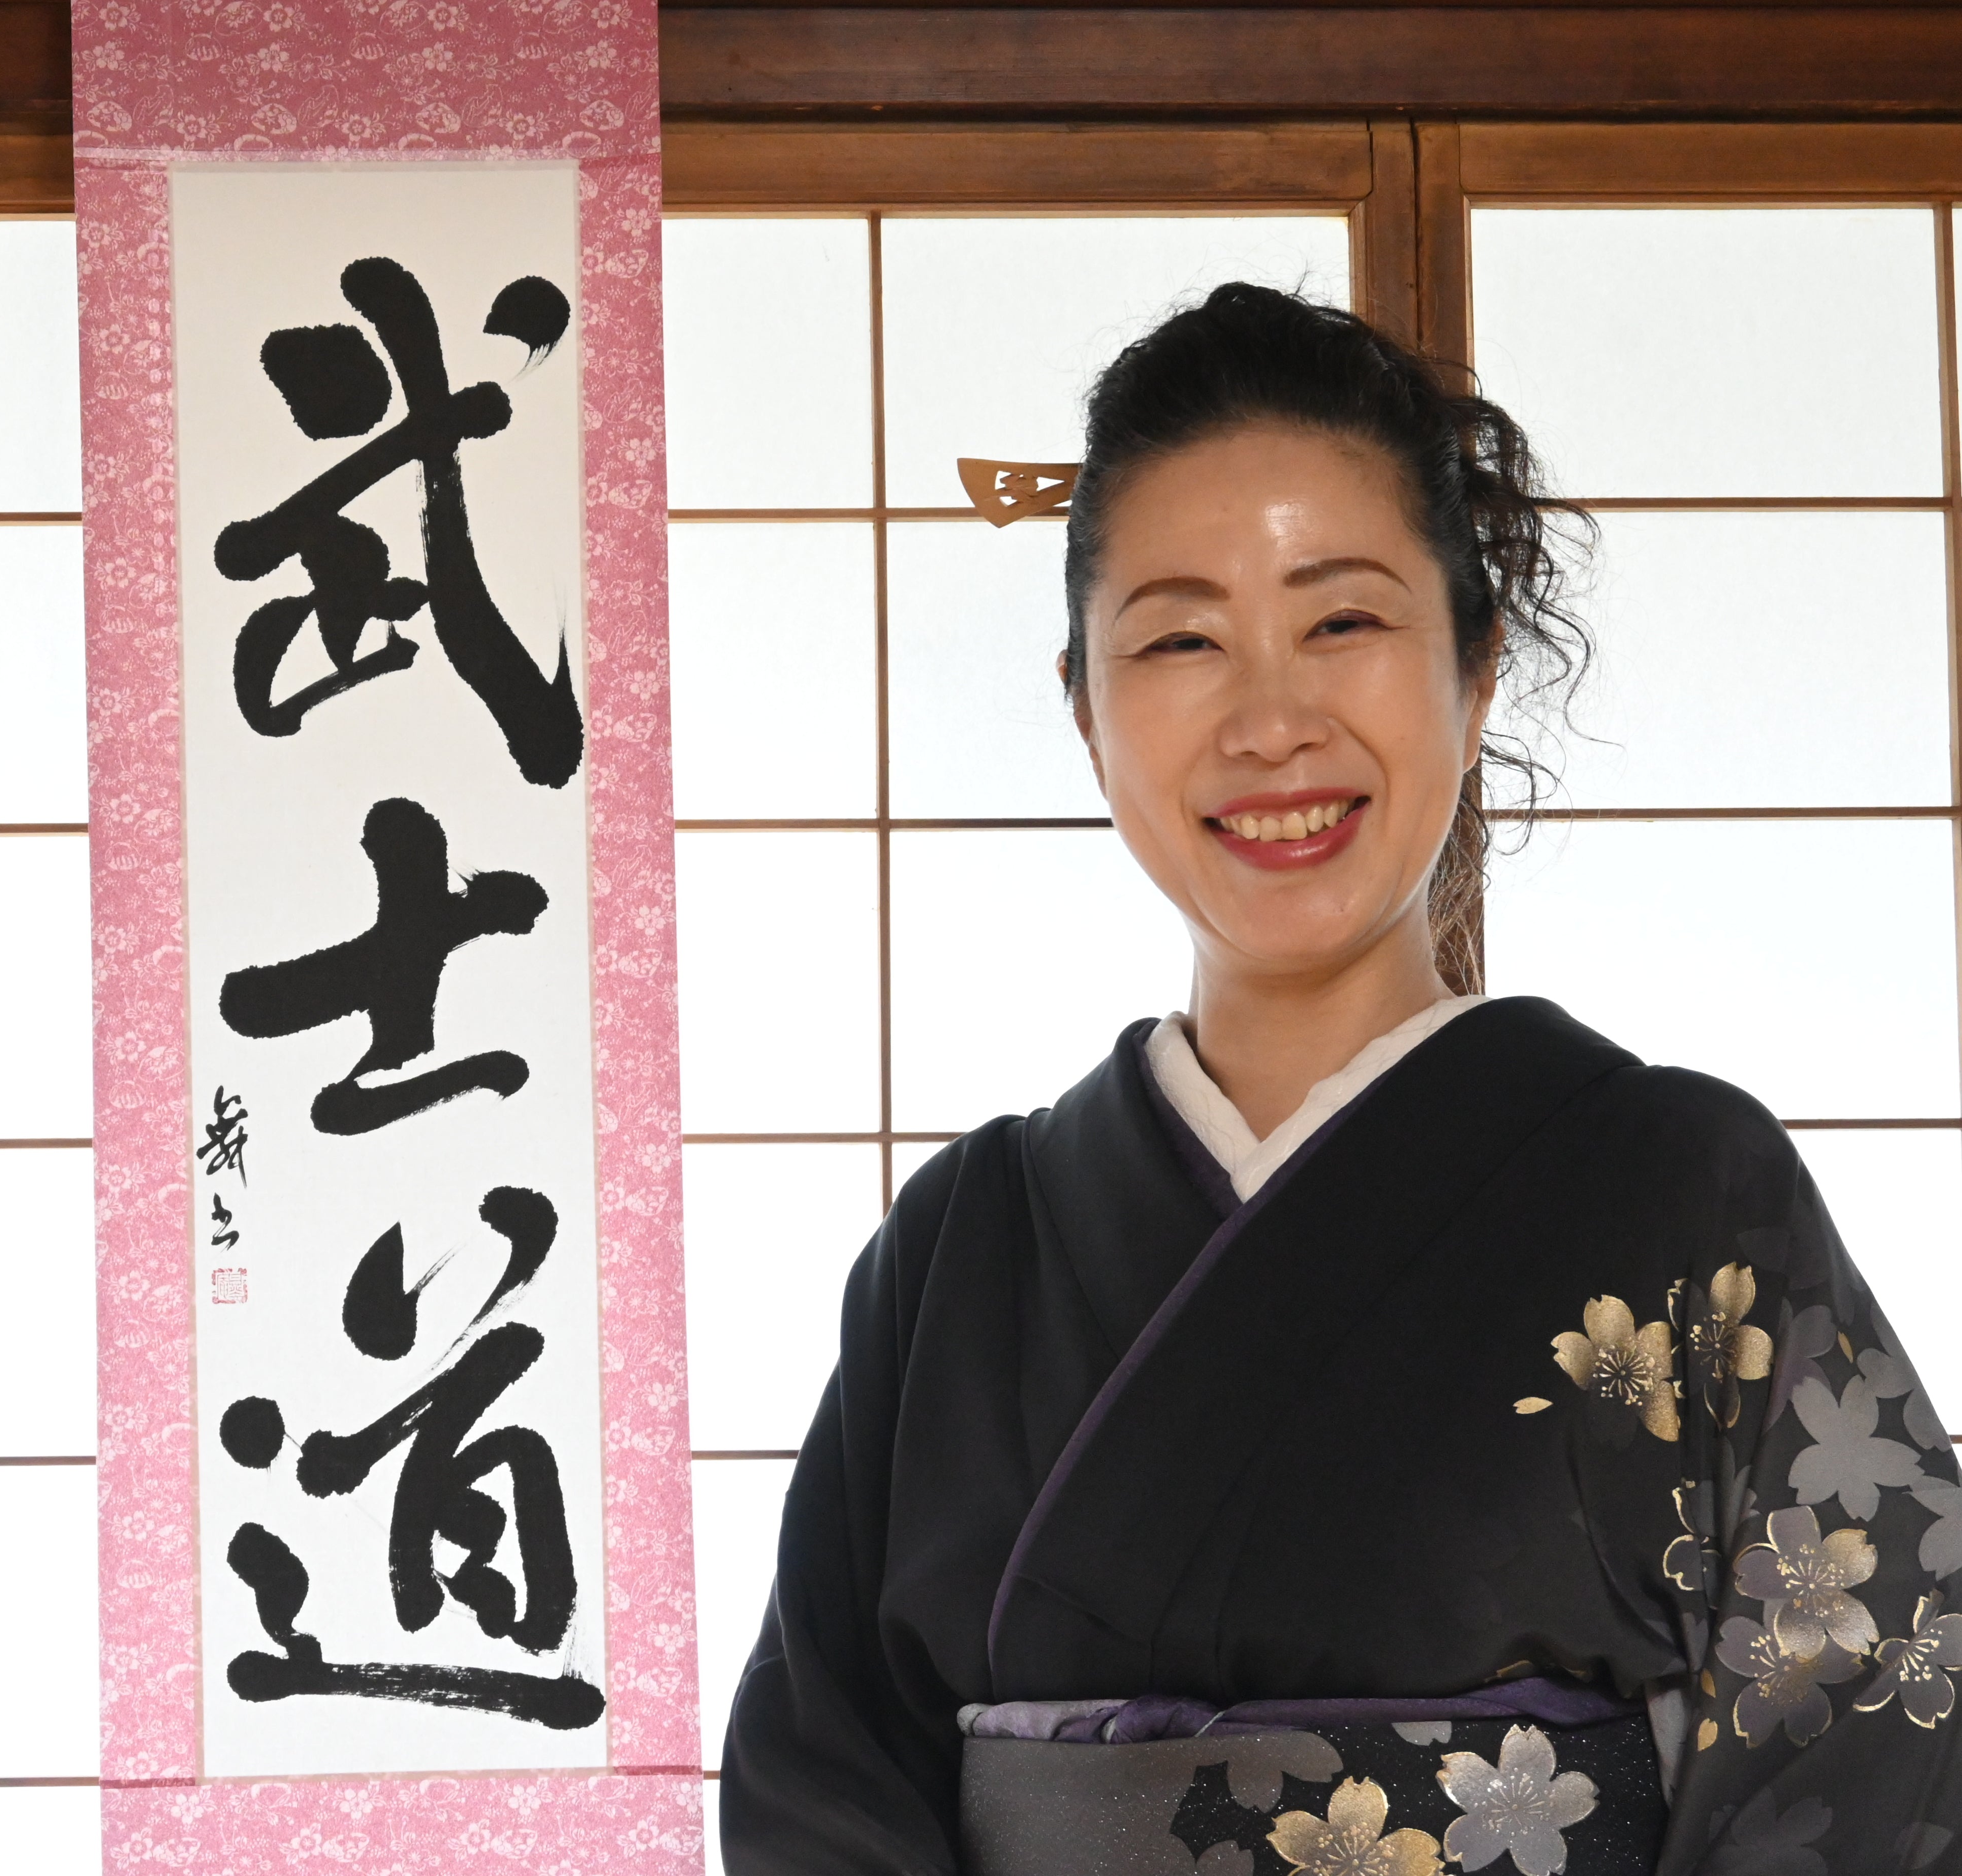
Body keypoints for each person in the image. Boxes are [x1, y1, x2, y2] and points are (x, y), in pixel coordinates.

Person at [717, 283, 1961, 1874]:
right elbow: (819, 1792)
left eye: (1344, 623)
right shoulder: (959, 1251)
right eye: (1181, 639)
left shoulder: (1683, 1191)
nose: (1270, 721)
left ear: (1478, 671)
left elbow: (1881, 1759)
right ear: (1086, 711)